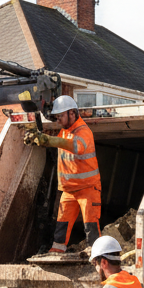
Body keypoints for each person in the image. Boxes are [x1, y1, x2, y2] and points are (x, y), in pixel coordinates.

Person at [24, 95, 100, 253]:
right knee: (61, 224)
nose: (58, 120)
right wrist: (38, 138)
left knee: (91, 225)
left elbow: (76, 147)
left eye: (60, 116)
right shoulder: (65, 132)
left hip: (87, 189)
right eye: (56, 117)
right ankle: (57, 251)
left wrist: (48, 140)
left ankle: (96, 254)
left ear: (72, 113)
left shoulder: (83, 131)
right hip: (69, 190)